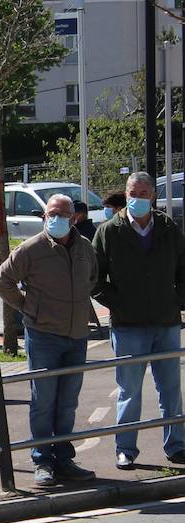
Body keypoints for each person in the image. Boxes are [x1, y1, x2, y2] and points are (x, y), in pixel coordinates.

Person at [0, 193, 98, 488]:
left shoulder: (85, 248)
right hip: (43, 337)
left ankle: (63, 457)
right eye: (51, 214)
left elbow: (92, 278)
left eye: (63, 214)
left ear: (74, 217)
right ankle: (42, 460)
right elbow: (2, 281)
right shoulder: (31, 249)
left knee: (67, 403)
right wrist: (27, 306)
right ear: (44, 217)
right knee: (43, 401)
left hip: (77, 336)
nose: (57, 219)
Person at [92, 172, 185, 468]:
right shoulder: (109, 230)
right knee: (129, 391)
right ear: (127, 193)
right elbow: (94, 277)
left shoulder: (169, 228)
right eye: (134, 192)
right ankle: (126, 449)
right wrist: (116, 302)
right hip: (129, 325)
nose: (139, 198)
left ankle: (177, 445)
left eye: (144, 193)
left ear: (153, 197)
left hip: (166, 321)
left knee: (171, 389)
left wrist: (177, 301)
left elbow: (184, 269)